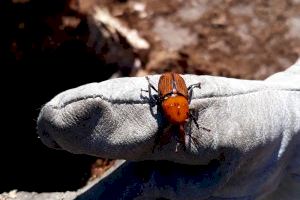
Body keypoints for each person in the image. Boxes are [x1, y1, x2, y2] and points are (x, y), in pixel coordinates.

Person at [37, 60, 300, 200]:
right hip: (171, 91)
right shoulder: (172, 104)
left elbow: (182, 114)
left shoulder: (181, 108)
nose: (180, 121)